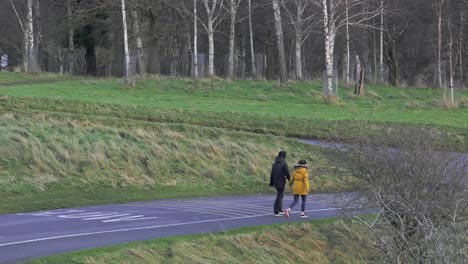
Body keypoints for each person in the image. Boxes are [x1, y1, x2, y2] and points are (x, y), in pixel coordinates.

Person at [269, 150, 290, 216]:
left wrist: (271, 182)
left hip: (275, 182)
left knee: (280, 195)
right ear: (284, 156)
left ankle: (280, 210)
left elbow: (272, 174)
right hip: (281, 182)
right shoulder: (284, 163)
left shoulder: (275, 163)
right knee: (279, 196)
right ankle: (276, 211)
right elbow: (287, 173)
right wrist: (291, 181)